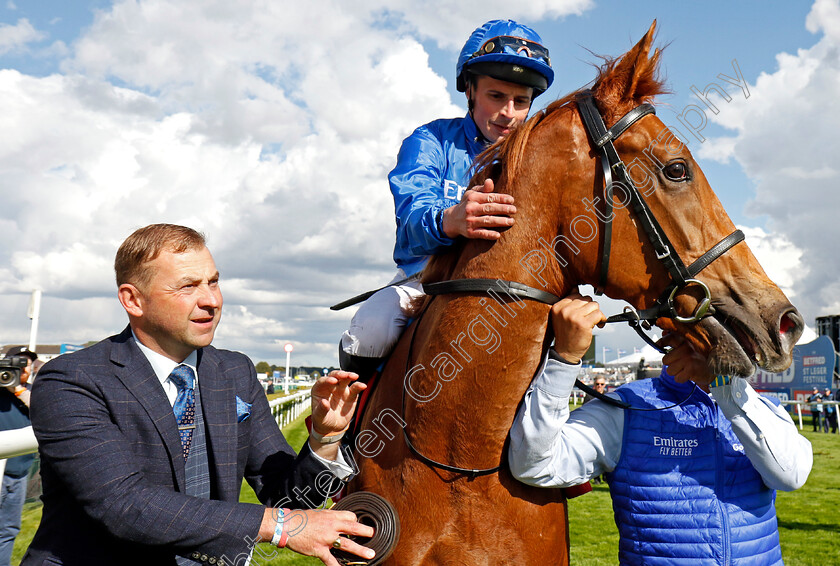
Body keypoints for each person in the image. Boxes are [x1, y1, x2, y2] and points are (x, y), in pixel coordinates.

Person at [24, 224, 374, 566]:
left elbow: (288, 498)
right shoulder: (71, 380)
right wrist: (277, 527)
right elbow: (125, 506)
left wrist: (324, 438)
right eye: (187, 286)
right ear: (133, 300)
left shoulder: (235, 371)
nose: (211, 300)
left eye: (213, 281)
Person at [508, 293, 813, 565]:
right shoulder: (627, 407)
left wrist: (723, 384)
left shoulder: (762, 408)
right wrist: (565, 359)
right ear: (669, 335)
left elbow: (790, 475)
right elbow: (535, 464)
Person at [339, 19, 554, 379]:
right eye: (496, 96)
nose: (509, 113)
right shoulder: (431, 140)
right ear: (469, 90)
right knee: (370, 332)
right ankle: (346, 429)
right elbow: (410, 225)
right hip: (425, 281)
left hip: (515, 290)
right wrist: (449, 221)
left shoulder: (543, 158)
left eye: (521, 101)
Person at [0, 347, 37, 566]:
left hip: (19, 474)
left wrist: (18, 390)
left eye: (28, 364)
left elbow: (44, 409)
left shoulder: (31, 391)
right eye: (19, 363)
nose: (24, 368)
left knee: (8, 529)